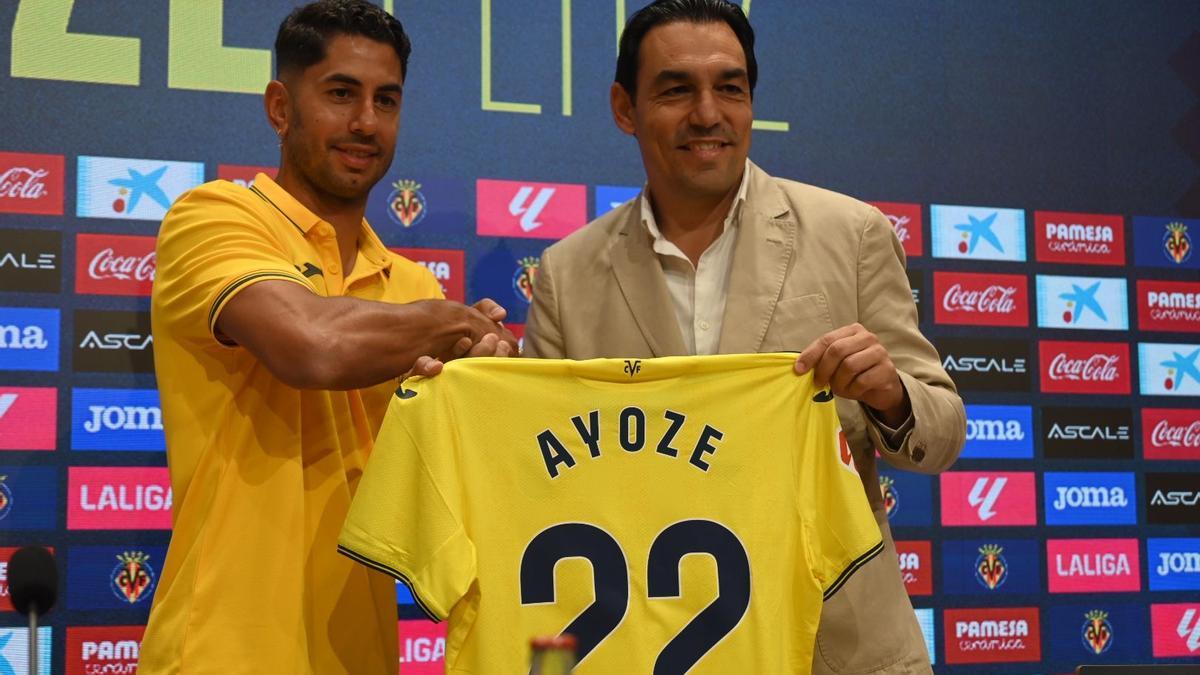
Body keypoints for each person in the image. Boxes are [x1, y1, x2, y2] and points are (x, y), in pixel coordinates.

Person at [524, 1, 964, 673]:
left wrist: (892, 395)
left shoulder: (852, 234)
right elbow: (542, 484)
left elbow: (943, 431)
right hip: (647, 646)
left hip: (837, 650)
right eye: (676, 90)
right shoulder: (566, 273)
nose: (708, 114)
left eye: (729, 88)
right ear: (624, 108)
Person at [138, 2, 516, 673]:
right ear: (281, 108)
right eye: (341, 94)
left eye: (385, 100)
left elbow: (453, 492)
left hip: (360, 653)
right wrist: (457, 323)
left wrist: (487, 372)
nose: (366, 122)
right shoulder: (214, 216)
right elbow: (310, 344)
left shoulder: (414, 288)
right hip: (221, 649)